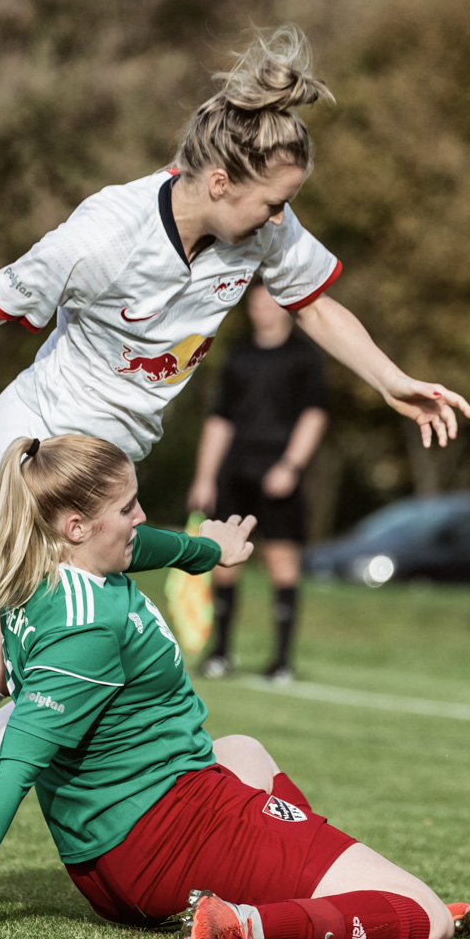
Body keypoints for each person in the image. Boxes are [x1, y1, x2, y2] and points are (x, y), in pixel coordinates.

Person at [0, 26, 470, 909]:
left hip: (110, 466)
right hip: (43, 449)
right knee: (90, 656)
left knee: (19, 658)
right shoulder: (102, 235)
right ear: (219, 182)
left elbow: (318, 305)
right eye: (271, 205)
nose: (281, 222)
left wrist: (392, 380)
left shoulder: (259, 234)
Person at [0, 435, 470, 939]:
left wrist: (211, 552)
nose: (140, 517)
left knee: (243, 750)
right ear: (77, 526)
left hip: (115, 857)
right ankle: (246, 923)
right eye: (127, 508)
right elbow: (9, 773)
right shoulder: (82, 630)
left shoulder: (56, 573)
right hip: (166, 837)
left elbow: (150, 546)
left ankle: (332, 900)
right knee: (425, 916)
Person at [186, 280, 328, 685]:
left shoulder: (304, 357)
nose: (261, 311)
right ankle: (220, 654)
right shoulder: (238, 355)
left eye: (269, 304)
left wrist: (291, 466)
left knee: (282, 564)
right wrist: (205, 477)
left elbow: (314, 415)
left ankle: (281, 661)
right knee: (224, 560)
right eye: (255, 306)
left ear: (284, 307)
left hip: (278, 471)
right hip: (236, 470)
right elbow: (220, 419)